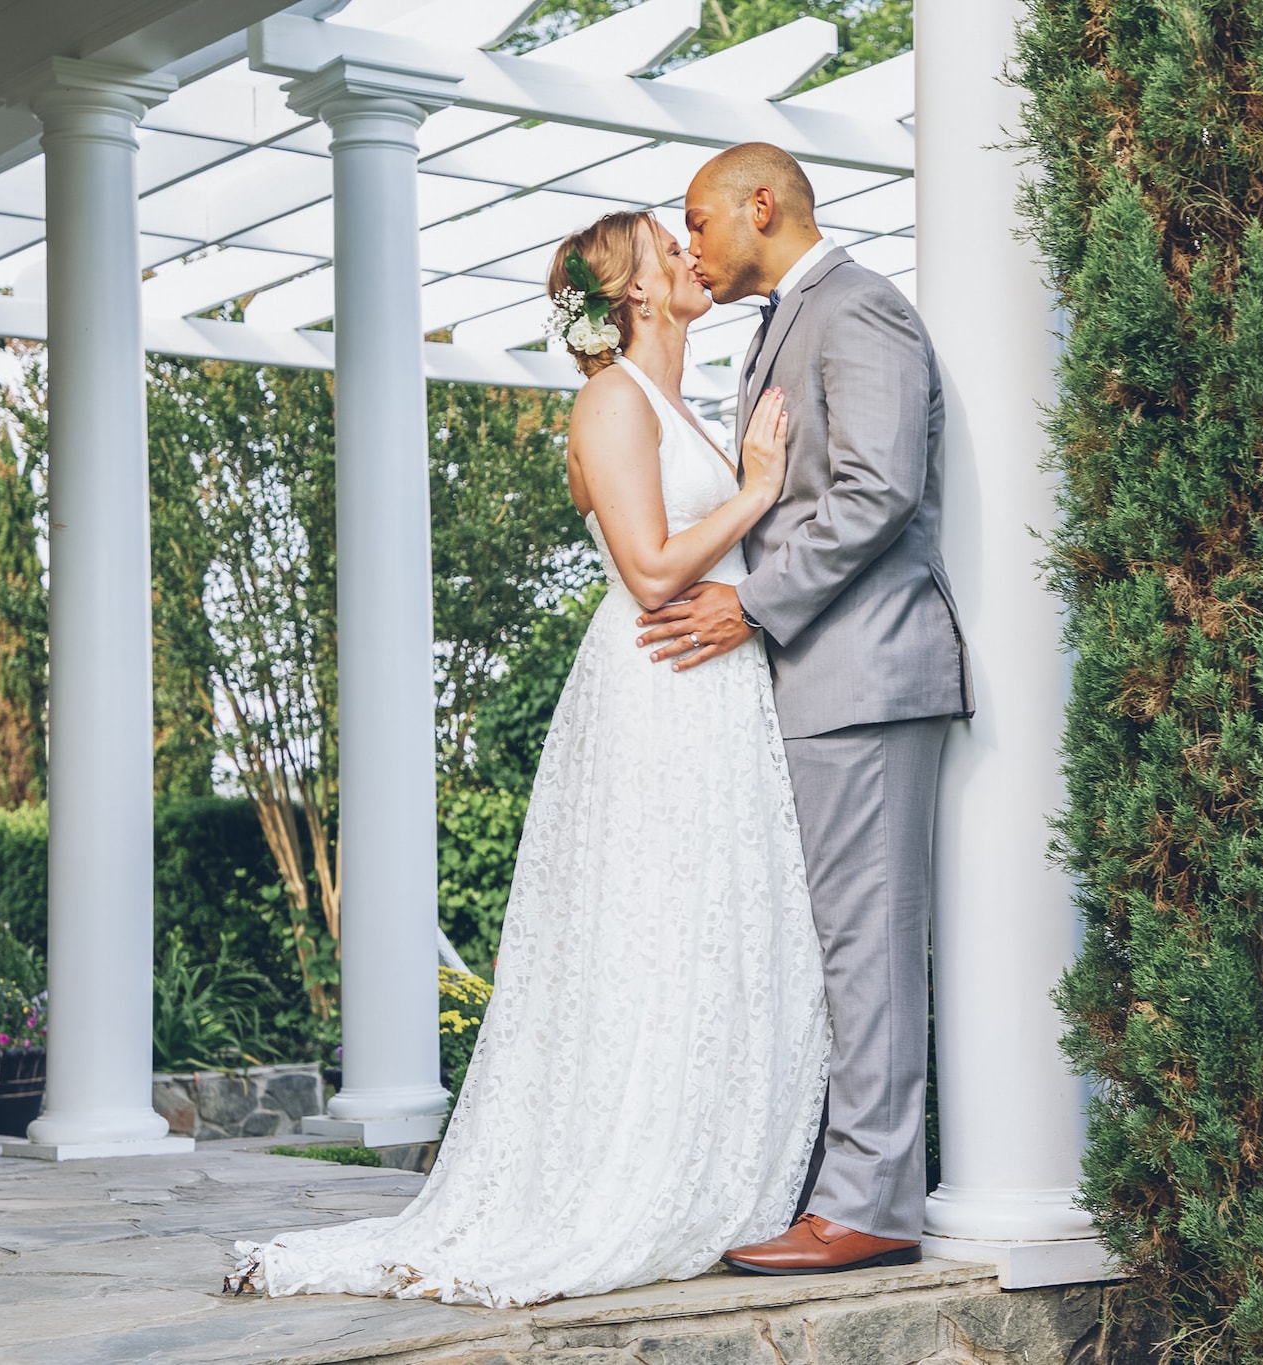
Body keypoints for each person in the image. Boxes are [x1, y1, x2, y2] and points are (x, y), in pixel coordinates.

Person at [226, 210, 830, 1309]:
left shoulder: (672, 402)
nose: (693, 256)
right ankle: (610, 1181)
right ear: (635, 292)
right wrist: (752, 490)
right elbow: (650, 571)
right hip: (658, 686)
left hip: (712, 694)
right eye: (668, 244)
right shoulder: (608, 401)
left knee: (702, 932)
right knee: (645, 933)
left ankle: (701, 1164)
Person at [639, 142, 973, 1275]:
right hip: (823, 681)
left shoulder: (859, 308)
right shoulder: (791, 317)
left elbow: (879, 486)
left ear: (759, 206)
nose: (688, 244)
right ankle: (840, 1184)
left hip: (866, 677)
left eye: (696, 220)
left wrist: (752, 604)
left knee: (865, 947)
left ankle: (872, 1206)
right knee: (835, 946)